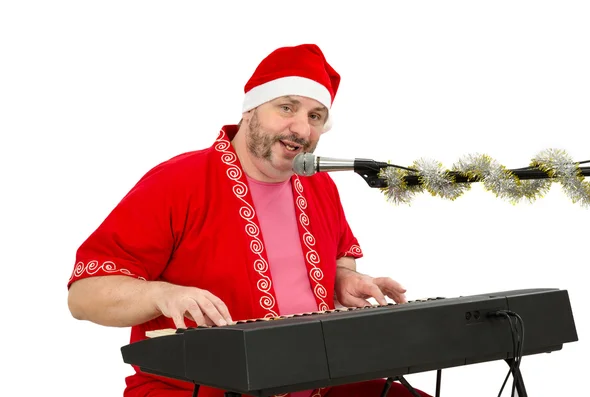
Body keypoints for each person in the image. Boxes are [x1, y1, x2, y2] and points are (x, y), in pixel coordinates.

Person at [67, 43, 432, 397]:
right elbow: (84, 295)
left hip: (320, 383)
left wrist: (343, 279)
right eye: (287, 107)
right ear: (250, 110)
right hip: (195, 390)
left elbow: (337, 257)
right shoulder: (176, 182)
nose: (301, 130)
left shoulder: (319, 184)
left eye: (315, 116)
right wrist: (161, 294)